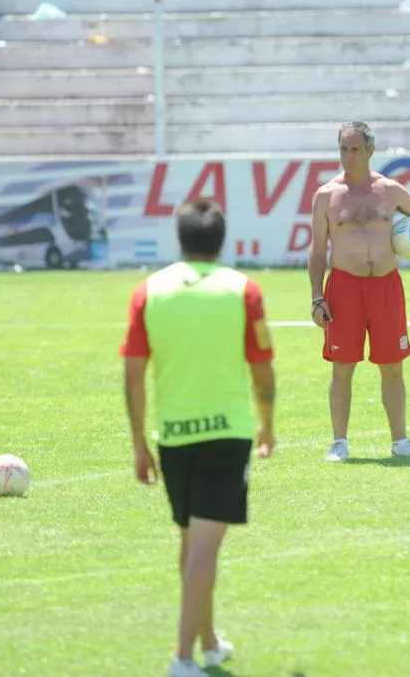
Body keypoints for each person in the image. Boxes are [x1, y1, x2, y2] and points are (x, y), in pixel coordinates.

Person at [119, 200, 277, 677]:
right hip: (227, 434)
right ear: (221, 239)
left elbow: (132, 375)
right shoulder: (244, 290)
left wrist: (139, 444)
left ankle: (209, 645)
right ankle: (183, 658)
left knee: (191, 544)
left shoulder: (148, 291)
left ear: (180, 237)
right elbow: (263, 371)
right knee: (205, 548)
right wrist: (267, 424)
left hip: (174, 436)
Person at [308, 121, 410, 462]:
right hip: (343, 287)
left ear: (370, 150)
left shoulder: (390, 191)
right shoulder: (326, 195)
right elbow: (317, 251)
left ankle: (401, 441)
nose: (348, 156)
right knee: (342, 367)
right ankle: (339, 443)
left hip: (386, 286)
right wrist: (316, 296)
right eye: (343, 149)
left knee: (393, 367)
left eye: (355, 149)